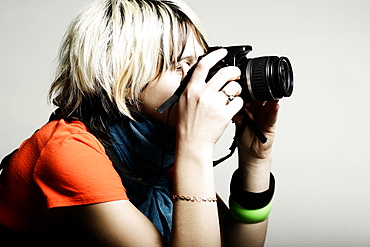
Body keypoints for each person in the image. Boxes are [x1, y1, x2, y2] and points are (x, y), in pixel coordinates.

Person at [0, 0, 280, 246]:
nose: (198, 78)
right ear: (120, 81)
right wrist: (195, 147)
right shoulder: (69, 150)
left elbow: (233, 244)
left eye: (199, 62)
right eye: (179, 65)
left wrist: (255, 159)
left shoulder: (155, 145)